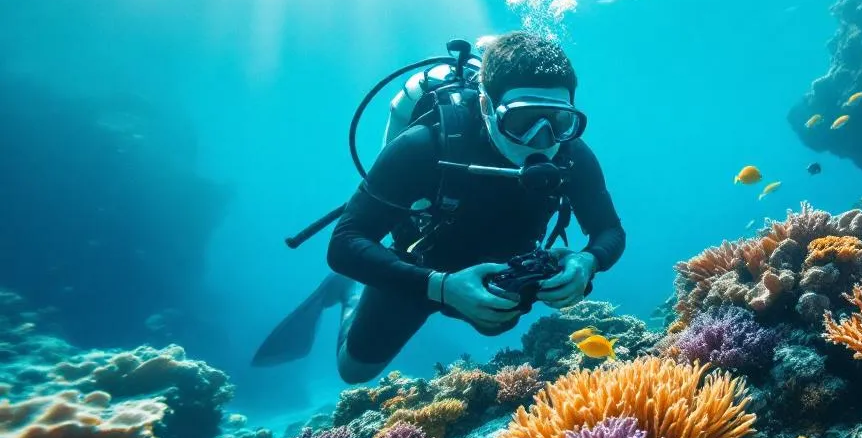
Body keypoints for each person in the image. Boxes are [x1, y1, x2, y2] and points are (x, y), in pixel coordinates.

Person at [252, 31, 625, 383]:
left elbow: (609, 231)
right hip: (419, 267)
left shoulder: (572, 154)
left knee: (497, 323)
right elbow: (345, 242)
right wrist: (441, 287)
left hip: (502, 272)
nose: (542, 141)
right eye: (523, 121)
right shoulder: (424, 146)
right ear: (486, 105)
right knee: (355, 371)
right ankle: (350, 291)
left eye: (559, 121)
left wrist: (587, 260)